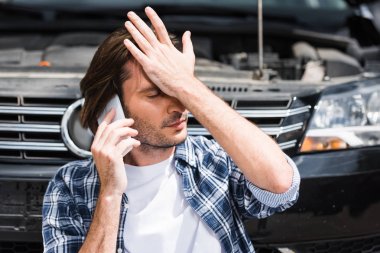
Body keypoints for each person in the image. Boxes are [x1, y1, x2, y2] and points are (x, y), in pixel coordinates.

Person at [42, 6, 300, 253]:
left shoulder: (212, 159)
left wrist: (186, 84)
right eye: (156, 93)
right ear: (110, 106)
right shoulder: (70, 186)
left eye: (176, 90)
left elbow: (281, 186)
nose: (179, 105)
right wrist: (110, 193)